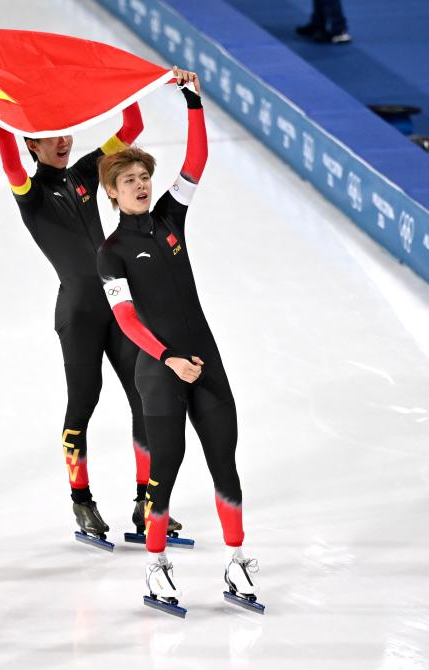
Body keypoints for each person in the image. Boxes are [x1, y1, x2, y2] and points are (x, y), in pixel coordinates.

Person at [95, 72, 262, 612]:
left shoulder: (170, 217)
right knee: (165, 469)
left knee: (225, 462)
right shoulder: (111, 252)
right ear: (112, 192)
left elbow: (196, 161)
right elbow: (125, 319)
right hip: (159, 369)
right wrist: (167, 358)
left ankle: (237, 559)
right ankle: (156, 566)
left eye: (145, 176)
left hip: (205, 360)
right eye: (129, 180)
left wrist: (192, 102)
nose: (141, 185)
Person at [0, 96, 184, 546]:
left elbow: (132, 126)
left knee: (143, 398)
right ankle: (81, 500)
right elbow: (9, 163)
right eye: (50, 138)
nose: (62, 141)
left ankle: (146, 503)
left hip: (117, 304)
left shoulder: (85, 172)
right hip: (78, 313)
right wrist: (2, 112)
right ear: (32, 145)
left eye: (65, 132)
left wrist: (127, 86)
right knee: (84, 402)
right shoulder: (30, 192)